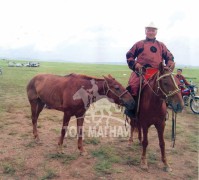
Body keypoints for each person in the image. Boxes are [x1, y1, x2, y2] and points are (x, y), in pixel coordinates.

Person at [125, 22, 175, 117]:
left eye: (153, 30)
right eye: (149, 30)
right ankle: (131, 109)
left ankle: (167, 109)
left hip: (158, 73)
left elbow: (170, 57)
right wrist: (136, 65)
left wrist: (169, 65)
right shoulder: (139, 44)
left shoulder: (161, 45)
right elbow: (129, 55)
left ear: (156, 32)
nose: (151, 32)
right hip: (141, 72)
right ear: (145, 31)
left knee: (171, 86)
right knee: (133, 87)